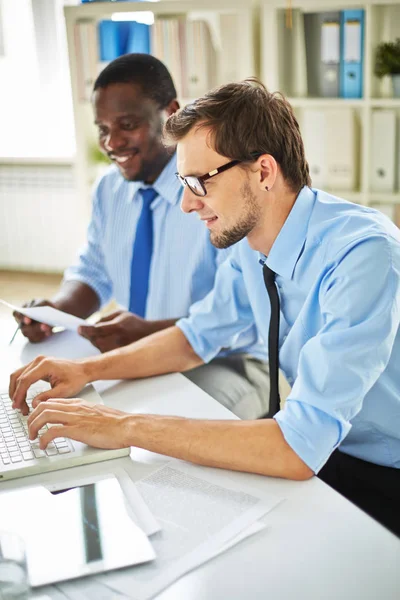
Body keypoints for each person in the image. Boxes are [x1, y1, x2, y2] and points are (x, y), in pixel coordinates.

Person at [10, 79, 400, 536]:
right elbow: (196, 337)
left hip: (382, 466)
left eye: (198, 182)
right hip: (324, 443)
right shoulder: (249, 240)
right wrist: (89, 371)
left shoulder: (364, 254)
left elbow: (296, 447)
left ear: (263, 172)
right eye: (182, 182)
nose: (186, 203)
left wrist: (125, 426)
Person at [13, 55, 269, 420]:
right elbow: (95, 269)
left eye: (127, 125)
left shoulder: (216, 192)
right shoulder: (109, 189)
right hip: (136, 352)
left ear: (170, 114)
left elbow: (240, 316)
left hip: (226, 361)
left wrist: (147, 334)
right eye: (102, 128)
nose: (112, 142)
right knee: (70, 408)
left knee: (173, 433)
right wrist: (57, 310)